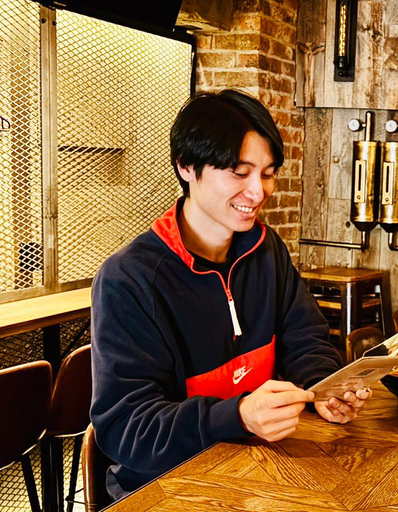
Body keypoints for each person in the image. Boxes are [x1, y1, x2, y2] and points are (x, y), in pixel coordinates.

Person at [90, 89, 370, 500]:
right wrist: (236, 417)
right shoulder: (129, 280)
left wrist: (322, 388)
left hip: (263, 470)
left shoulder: (265, 249)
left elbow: (305, 337)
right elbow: (127, 427)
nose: (258, 192)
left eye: (268, 173)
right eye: (239, 172)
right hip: (167, 489)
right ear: (187, 166)